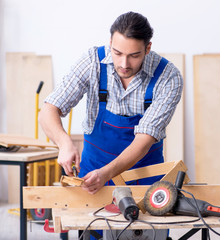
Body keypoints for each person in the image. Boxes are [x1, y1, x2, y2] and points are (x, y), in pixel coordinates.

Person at [39, 11, 183, 239]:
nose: (124, 63)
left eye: (134, 55)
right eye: (117, 53)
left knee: (145, 233)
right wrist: (64, 144)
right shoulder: (93, 62)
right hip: (92, 178)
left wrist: (107, 173)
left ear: (148, 48)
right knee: (92, 233)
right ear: (110, 43)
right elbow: (49, 108)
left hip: (144, 180)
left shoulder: (168, 77)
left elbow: (144, 141)